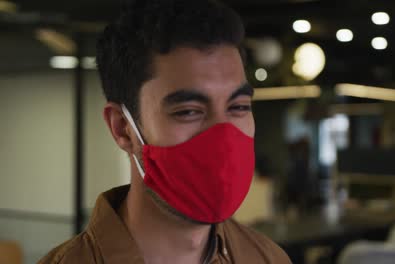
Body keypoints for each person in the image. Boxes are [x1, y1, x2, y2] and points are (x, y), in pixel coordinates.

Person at [39, 0, 292, 263]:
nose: (224, 138)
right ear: (122, 128)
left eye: (238, 107)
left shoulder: (268, 258)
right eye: (188, 111)